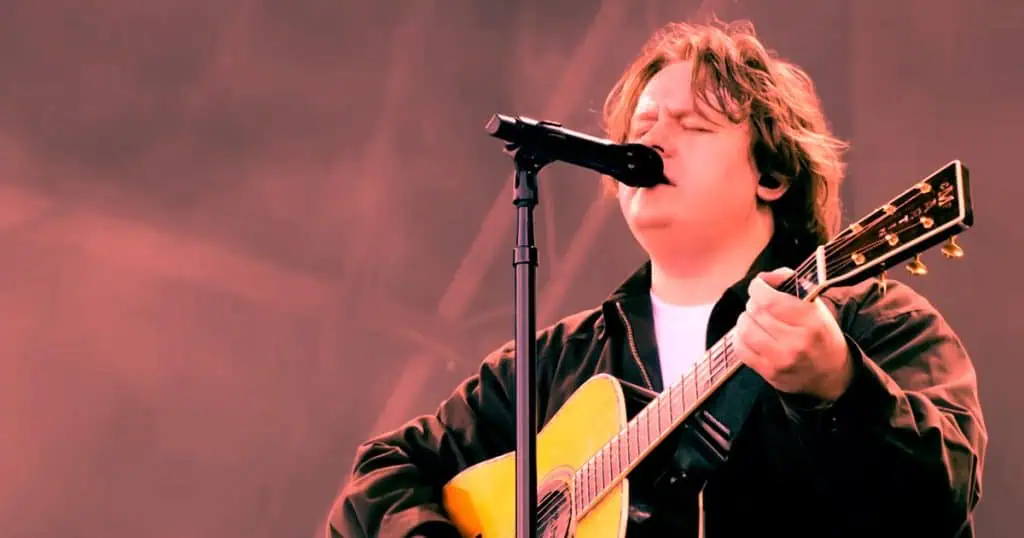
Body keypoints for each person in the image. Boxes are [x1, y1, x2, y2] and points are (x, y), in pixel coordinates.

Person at [326, 19, 987, 538]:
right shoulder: (554, 363)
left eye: (692, 126)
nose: (652, 141)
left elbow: (943, 502)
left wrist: (840, 388)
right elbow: (377, 479)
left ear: (772, 175)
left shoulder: (872, 322)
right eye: (641, 128)